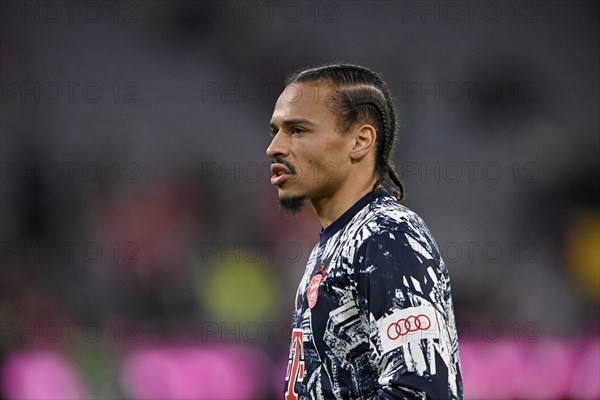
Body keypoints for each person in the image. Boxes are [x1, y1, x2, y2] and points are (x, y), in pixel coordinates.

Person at [267, 64, 463, 399]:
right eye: (275, 131)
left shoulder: (386, 235)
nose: (275, 147)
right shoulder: (337, 242)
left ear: (360, 141)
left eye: (297, 130)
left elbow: (420, 390)